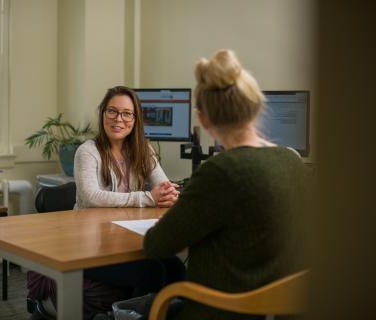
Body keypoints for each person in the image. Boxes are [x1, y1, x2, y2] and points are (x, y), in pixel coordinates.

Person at [143, 49, 306, 320]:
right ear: (256, 108)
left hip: (220, 311)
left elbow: (156, 245)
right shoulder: (292, 162)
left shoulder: (220, 171)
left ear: (203, 118)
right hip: (279, 310)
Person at [28, 86, 184, 320]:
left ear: (135, 118)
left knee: (175, 267)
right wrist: (148, 197)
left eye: (126, 113)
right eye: (112, 111)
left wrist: (169, 193)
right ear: (102, 114)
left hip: (125, 242)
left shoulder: (144, 150)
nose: (118, 119)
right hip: (88, 249)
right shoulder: (88, 152)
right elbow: (92, 196)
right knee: (150, 272)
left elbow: (162, 185)